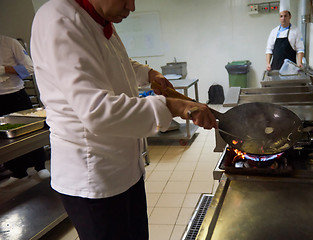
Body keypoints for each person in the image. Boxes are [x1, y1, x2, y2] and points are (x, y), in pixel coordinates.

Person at [30, 0, 217, 239]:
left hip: (124, 168)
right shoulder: (60, 19)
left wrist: (148, 74)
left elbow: (115, 62)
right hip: (93, 176)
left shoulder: (98, 19)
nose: (132, 6)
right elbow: (97, 111)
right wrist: (173, 106)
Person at [0, 35, 50, 188]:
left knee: (31, 132)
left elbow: (29, 69)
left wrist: (3, 69)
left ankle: (40, 166)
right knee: (5, 138)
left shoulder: (10, 43)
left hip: (16, 95)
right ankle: (18, 172)